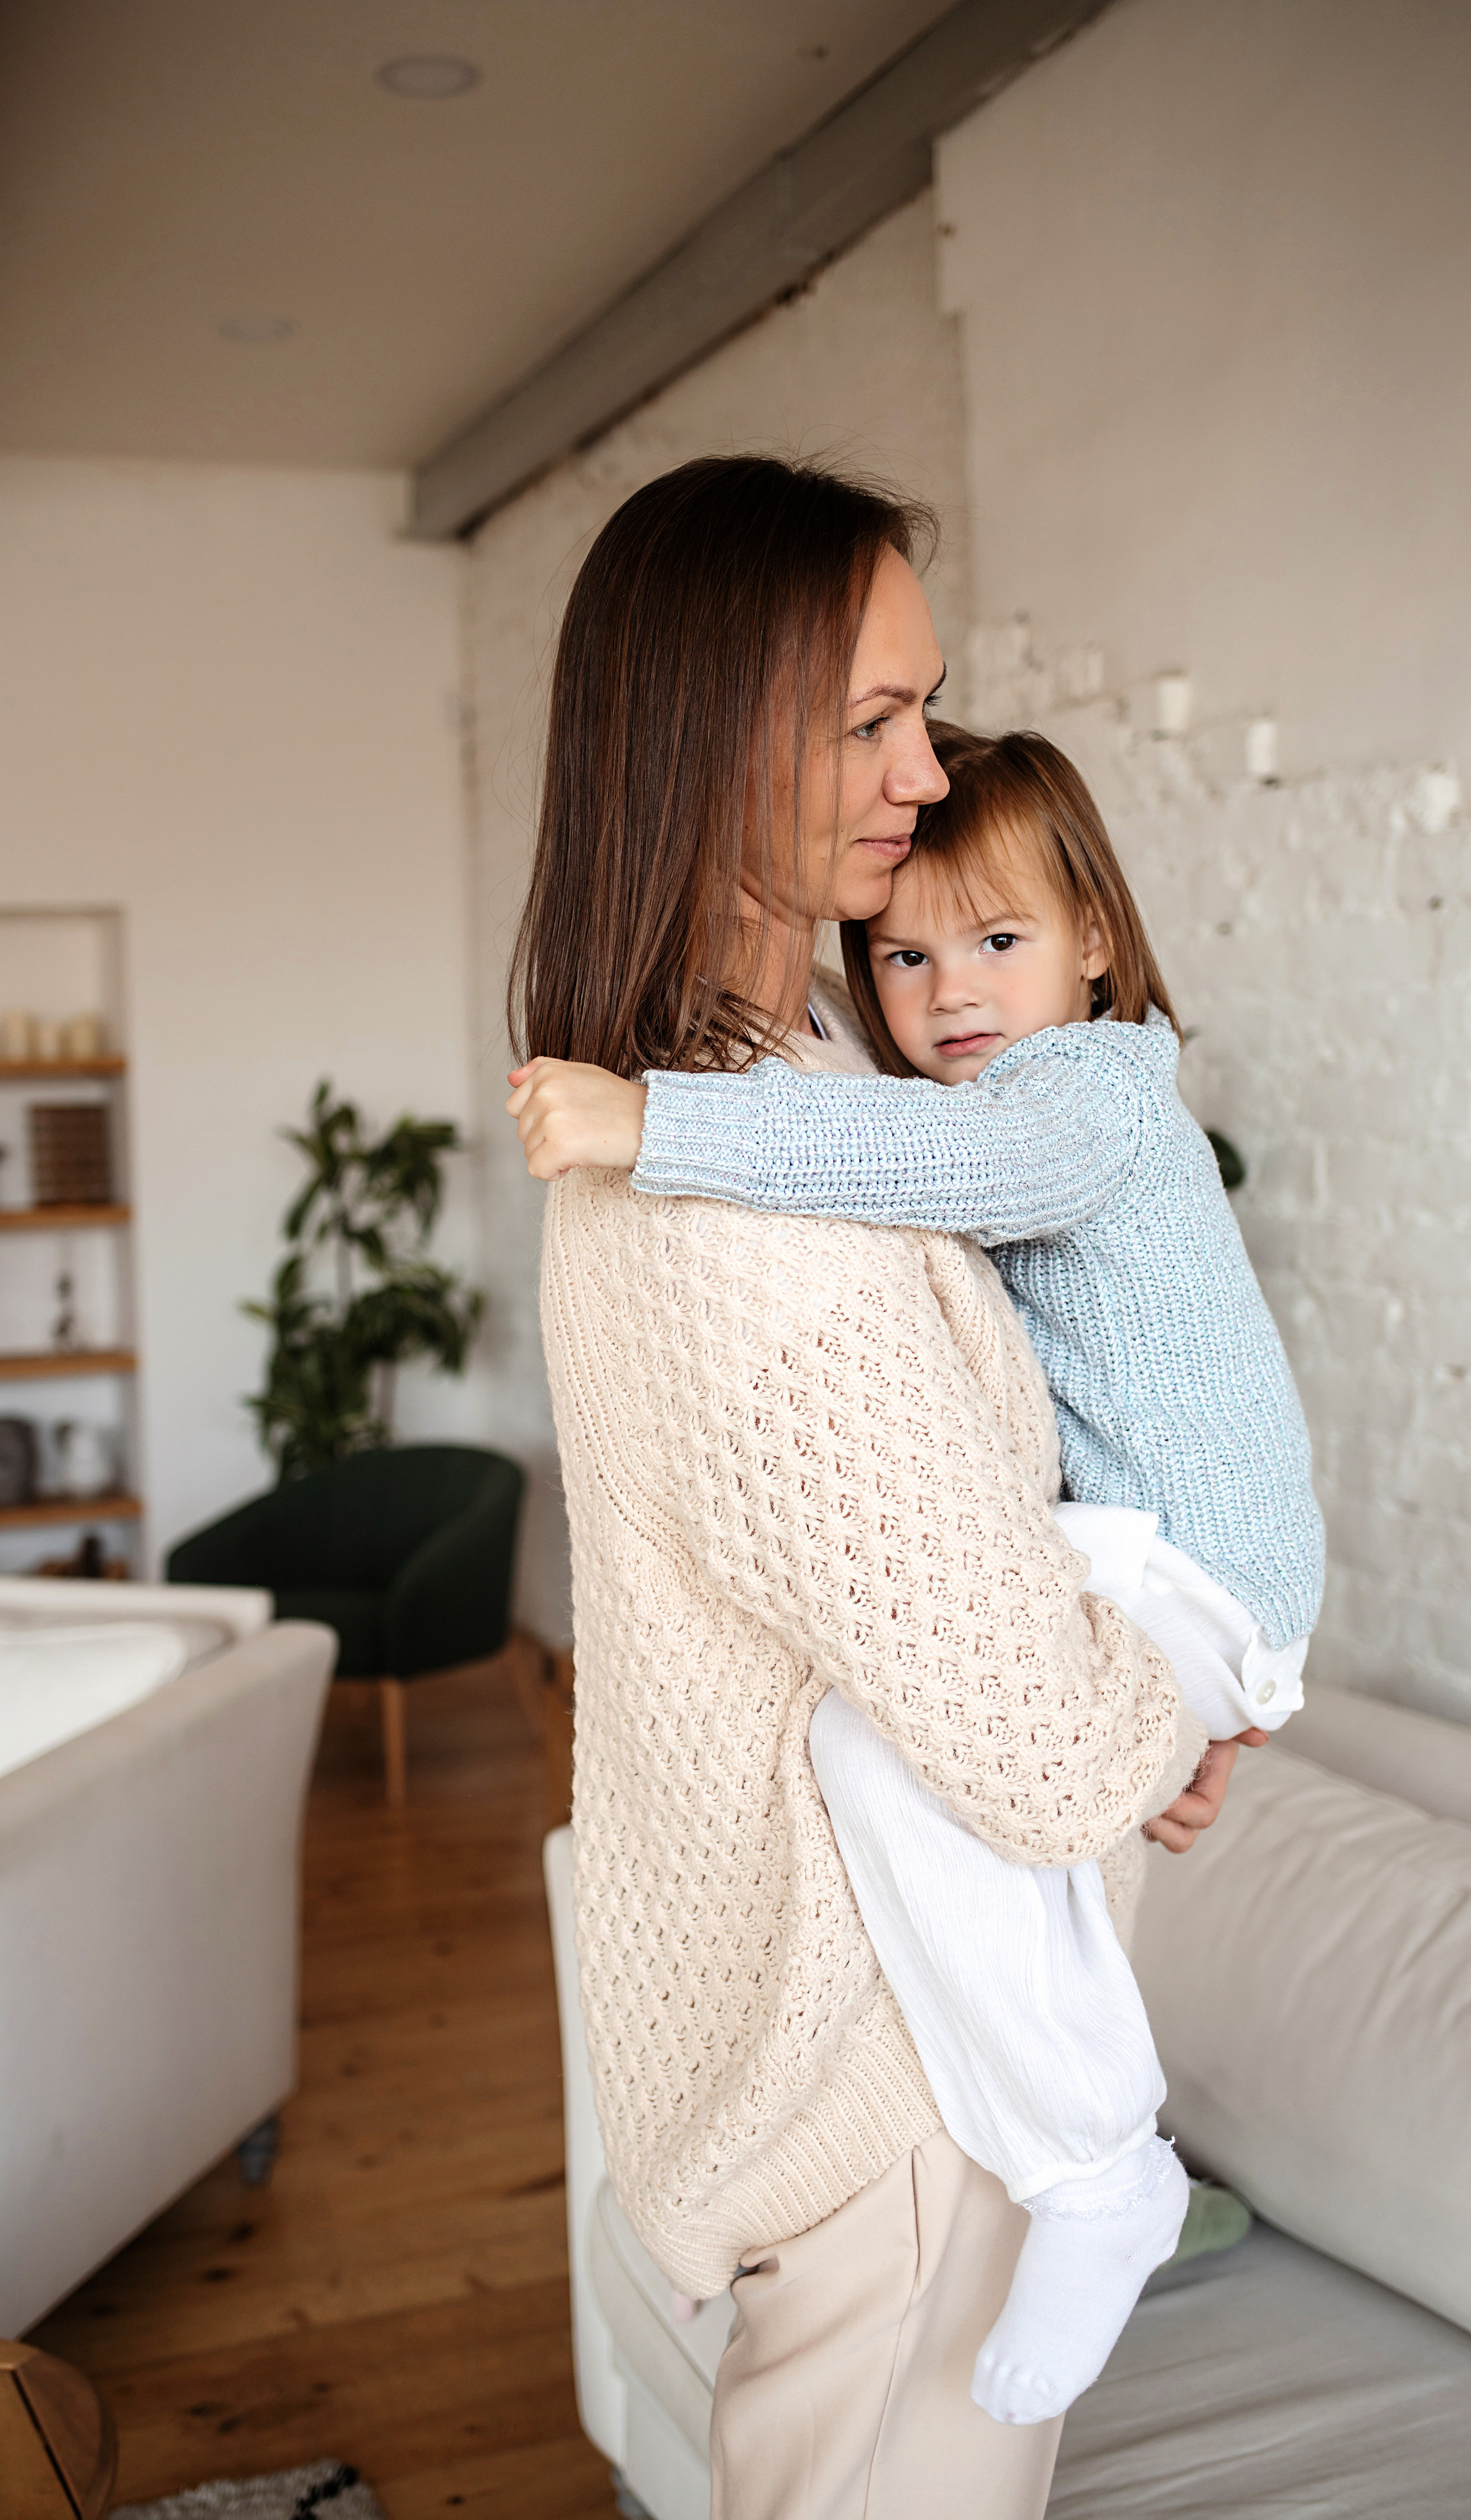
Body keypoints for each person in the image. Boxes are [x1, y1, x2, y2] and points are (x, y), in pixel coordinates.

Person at [507, 452, 1233, 2519]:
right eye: (865, 723)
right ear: (703, 733)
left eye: (922, 706)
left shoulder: (783, 1086)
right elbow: (1031, 1738)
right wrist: (1183, 1705)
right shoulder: (747, 1200)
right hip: (903, 2097)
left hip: (890, 2061)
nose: (925, 770)